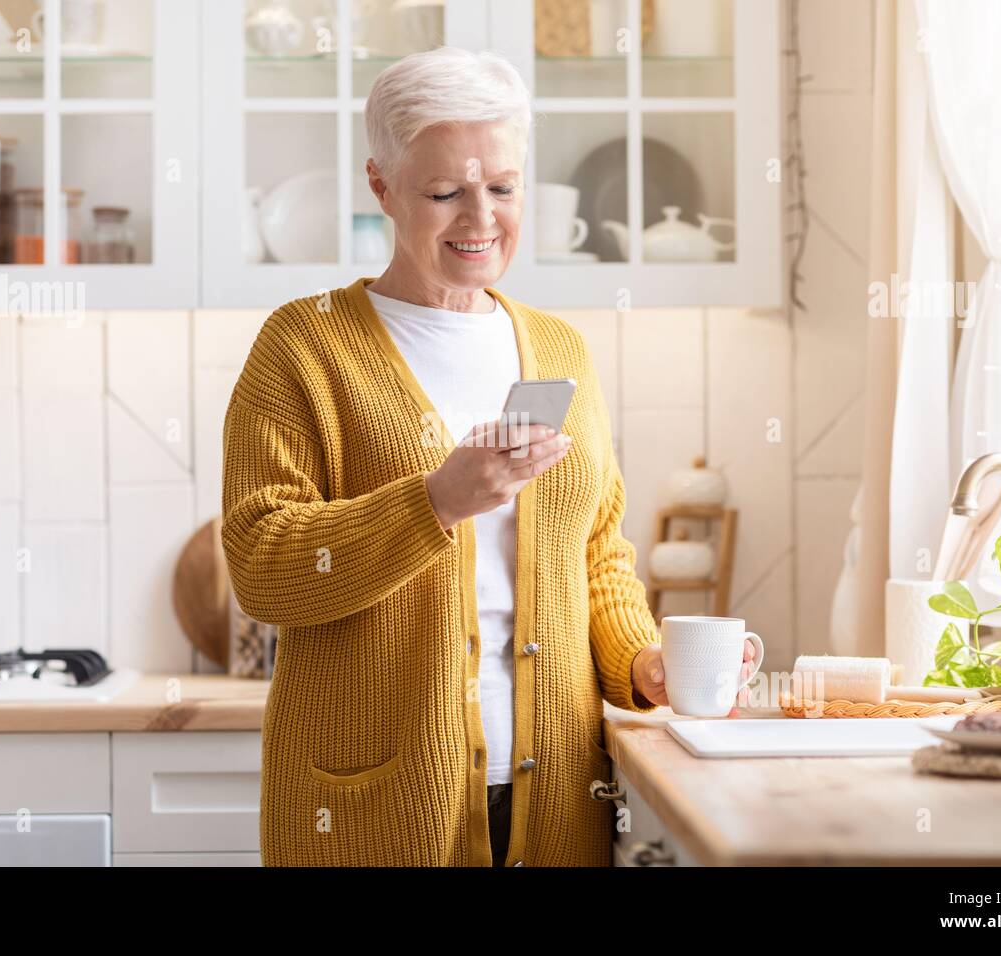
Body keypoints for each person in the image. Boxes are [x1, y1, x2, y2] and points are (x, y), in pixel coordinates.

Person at [221, 46, 753, 867]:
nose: (480, 219)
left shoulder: (557, 348)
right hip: (376, 804)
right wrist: (432, 502)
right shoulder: (306, 346)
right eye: (445, 193)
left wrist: (642, 663)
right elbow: (263, 565)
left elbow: (597, 553)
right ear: (382, 187)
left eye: (502, 188)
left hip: (561, 791)